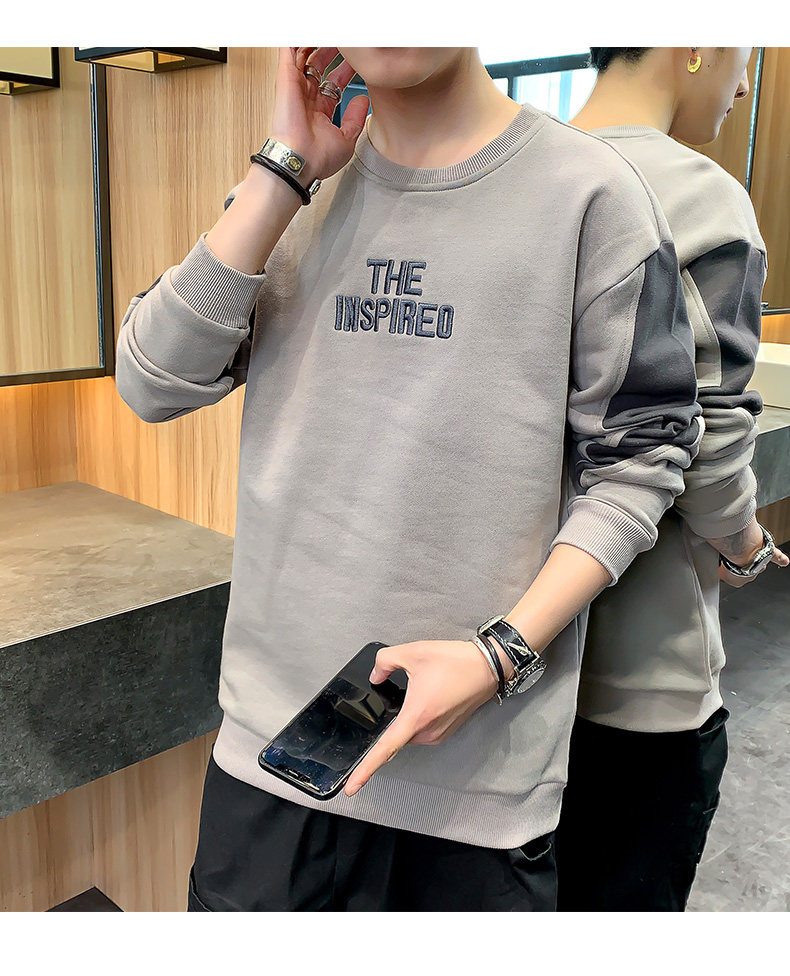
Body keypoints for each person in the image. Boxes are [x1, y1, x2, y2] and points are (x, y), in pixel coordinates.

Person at [115, 46, 702, 912]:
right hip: (272, 763)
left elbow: (642, 460)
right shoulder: (291, 198)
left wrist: (500, 655)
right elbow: (152, 381)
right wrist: (281, 172)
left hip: (477, 792)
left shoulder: (593, 196)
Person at [555, 46, 790, 912]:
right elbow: (710, 447)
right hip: (639, 679)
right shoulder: (702, 198)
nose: (743, 84)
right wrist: (749, 544)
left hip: (501, 676)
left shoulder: (513, 171)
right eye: (745, 54)